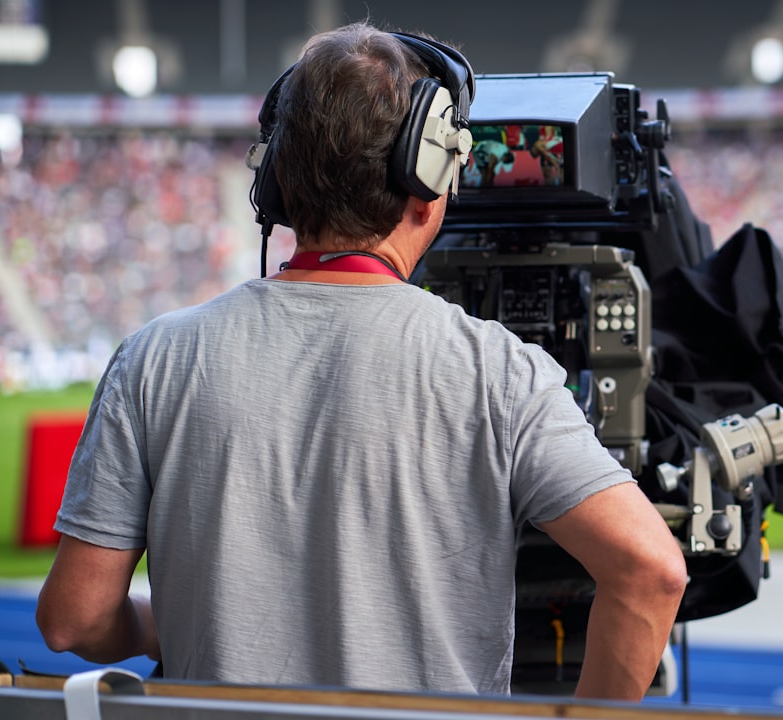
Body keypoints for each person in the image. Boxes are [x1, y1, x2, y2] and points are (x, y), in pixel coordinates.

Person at [36, 22, 687, 701]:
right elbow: (651, 571)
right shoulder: (498, 370)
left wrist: (160, 627)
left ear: (278, 180)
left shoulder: (153, 358)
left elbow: (72, 618)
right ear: (430, 176)